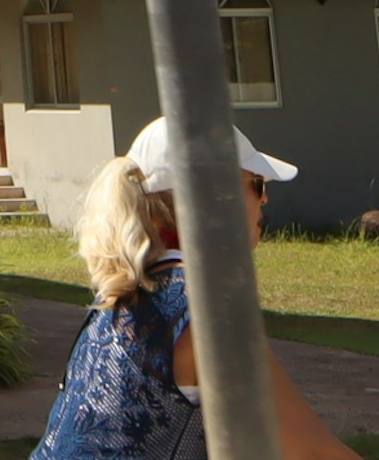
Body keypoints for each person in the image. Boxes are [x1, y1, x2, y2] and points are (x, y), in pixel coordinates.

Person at [30, 117, 360, 459]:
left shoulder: (126, 292)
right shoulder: (203, 306)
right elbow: (314, 452)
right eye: (257, 184)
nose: (265, 200)